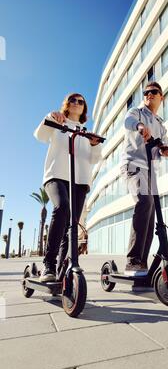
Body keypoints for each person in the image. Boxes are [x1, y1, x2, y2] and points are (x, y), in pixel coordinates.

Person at [34, 93, 102, 282]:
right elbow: (40, 135)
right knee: (62, 207)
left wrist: (94, 145)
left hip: (80, 182)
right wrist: (49, 117)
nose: (76, 103)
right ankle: (49, 265)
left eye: (81, 102)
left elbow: (95, 159)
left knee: (71, 226)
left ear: (84, 108)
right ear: (66, 104)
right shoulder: (58, 121)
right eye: (73, 100)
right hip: (56, 176)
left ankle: (63, 270)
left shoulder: (87, 132)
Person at [121, 82, 168, 276]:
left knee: (151, 214)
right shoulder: (136, 113)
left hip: (151, 171)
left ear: (161, 97)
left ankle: (141, 263)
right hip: (133, 165)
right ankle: (132, 260)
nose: (149, 94)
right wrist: (140, 127)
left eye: (154, 92)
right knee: (144, 201)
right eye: (146, 92)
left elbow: (162, 146)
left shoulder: (160, 124)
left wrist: (165, 151)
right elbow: (128, 122)